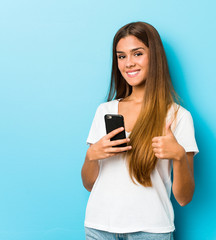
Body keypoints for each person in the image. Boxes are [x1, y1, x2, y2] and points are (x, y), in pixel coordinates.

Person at [81, 21, 199, 240]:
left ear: (154, 56)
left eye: (137, 54)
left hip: (150, 231)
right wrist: (91, 156)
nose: (129, 63)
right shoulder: (104, 111)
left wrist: (179, 156)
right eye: (121, 56)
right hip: (99, 228)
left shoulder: (177, 116)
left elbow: (184, 198)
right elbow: (89, 185)